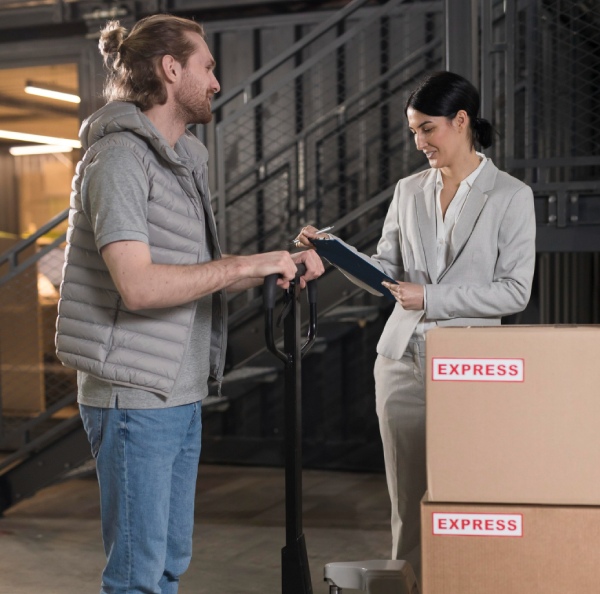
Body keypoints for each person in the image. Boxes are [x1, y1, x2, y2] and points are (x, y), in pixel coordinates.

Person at [55, 14, 323, 594]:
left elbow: (191, 277)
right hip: (133, 397)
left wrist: (278, 262)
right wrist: (245, 265)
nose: (217, 82)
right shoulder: (121, 159)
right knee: (137, 578)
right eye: (207, 66)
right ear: (170, 70)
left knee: (168, 565)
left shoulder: (181, 161)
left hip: (178, 392)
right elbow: (140, 286)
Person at [296, 70, 536, 579]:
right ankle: (412, 587)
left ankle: (468, 583)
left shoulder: (511, 196)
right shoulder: (407, 191)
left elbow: (515, 290)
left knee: (468, 491)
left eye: (427, 129)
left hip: (471, 367)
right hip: (401, 363)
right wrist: (338, 255)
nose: (418, 142)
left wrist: (430, 297)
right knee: (406, 499)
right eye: (412, 132)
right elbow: (388, 272)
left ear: (461, 120)